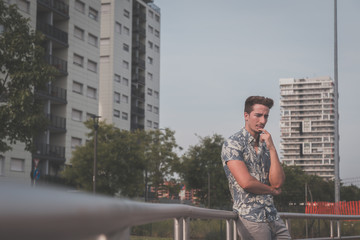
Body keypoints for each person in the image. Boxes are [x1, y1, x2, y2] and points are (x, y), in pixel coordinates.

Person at [221, 96, 291, 240]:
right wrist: (272, 191)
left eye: (266, 116)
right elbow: (246, 182)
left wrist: (272, 148)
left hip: (272, 215)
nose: (263, 121)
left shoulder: (266, 144)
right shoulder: (233, 143)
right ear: (246, 116)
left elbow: (277, 182)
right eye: (258, 115)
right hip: (250, 217)